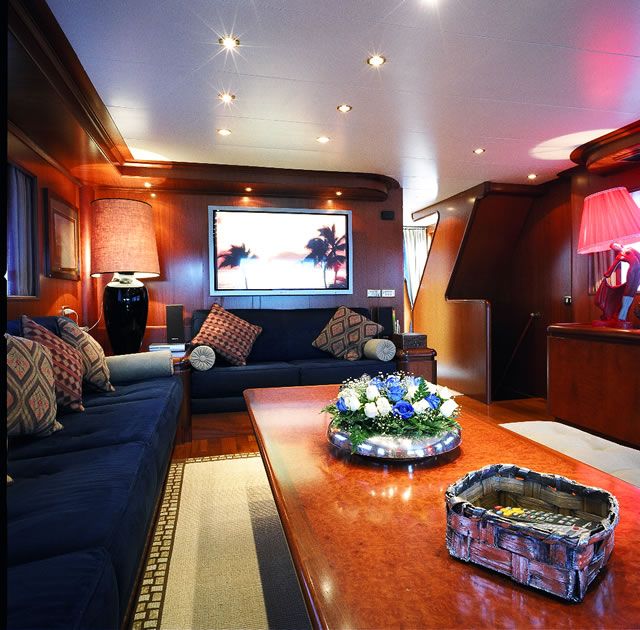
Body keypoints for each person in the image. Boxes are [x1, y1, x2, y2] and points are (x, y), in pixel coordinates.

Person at [603, 242, 640, 321]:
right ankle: (622, 314)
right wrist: (607, 274)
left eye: (615, 245)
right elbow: (612, 268)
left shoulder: (630, 248)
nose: (615, 247)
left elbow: (639, 255)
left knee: (633, 290)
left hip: (639, 270)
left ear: (619, 244)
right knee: (629, 289)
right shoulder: (619, 256)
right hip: (632, 270)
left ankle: (624, 312)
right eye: (613, 248)